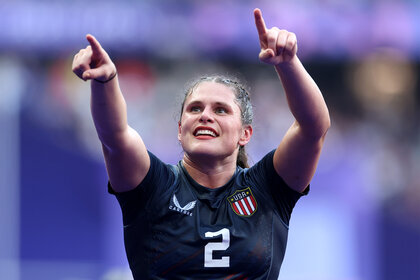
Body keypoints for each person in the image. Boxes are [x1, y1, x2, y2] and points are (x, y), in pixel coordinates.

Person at [72, 8, 330, 280]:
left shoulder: (268, 189)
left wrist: (288, 64)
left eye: (220, 110)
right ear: (180, 130)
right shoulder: (153, 188)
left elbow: (313, 129)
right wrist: (105, 81)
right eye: (195, 109)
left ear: (245, 134)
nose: (205, 115)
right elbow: (115, 136)